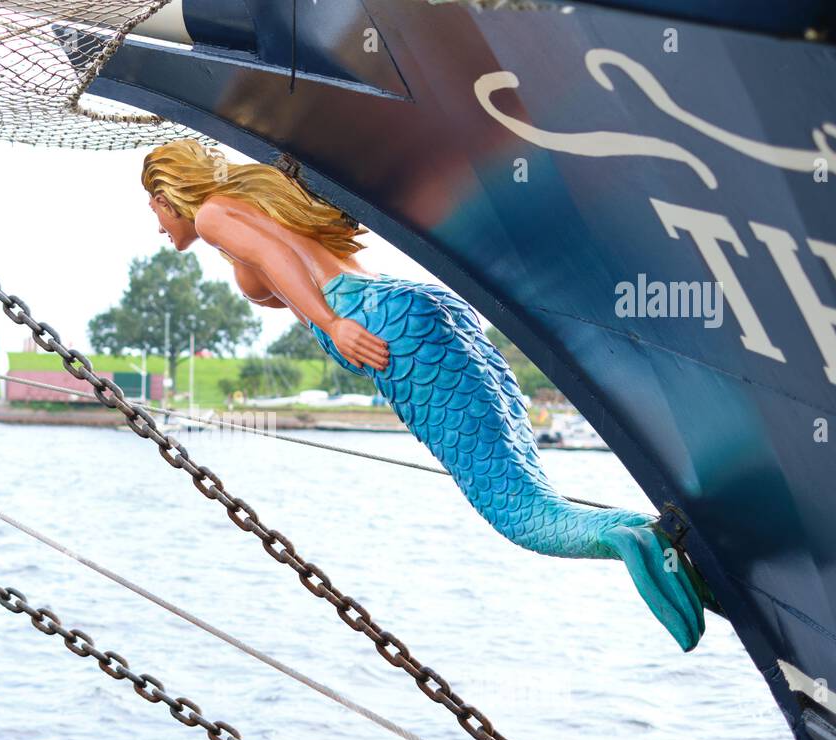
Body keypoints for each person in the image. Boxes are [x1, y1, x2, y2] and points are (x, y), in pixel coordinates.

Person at [141, 139, 709, 651]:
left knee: (518, 511)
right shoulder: (251, 206)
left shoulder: (215, 212)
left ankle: (636, 542)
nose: (154, 220)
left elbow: (278, 261)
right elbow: (270, 265)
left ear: (172, 192)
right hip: (415, 306)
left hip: (384, 329)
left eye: (152, 203)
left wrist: (329, 323)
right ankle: (668, 546)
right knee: (524, 481)